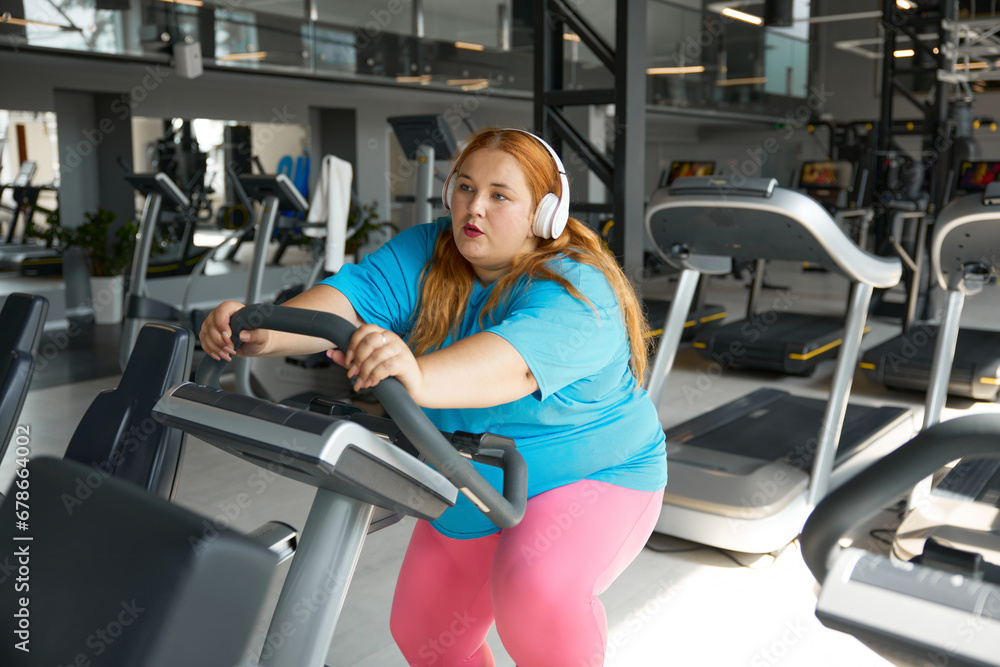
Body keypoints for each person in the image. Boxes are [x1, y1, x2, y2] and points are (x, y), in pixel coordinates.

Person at [200, 127, 668, 667]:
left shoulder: (579, 290)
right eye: (465, 188)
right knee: (426, 633)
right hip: (471, 473)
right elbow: (346, 303)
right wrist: (262, 331)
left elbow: (512, 367)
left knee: (536, 595)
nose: (475, 207)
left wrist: (413, 374)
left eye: (500, 195)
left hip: (589, 477)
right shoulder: (428, 250)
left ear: (545, 215)